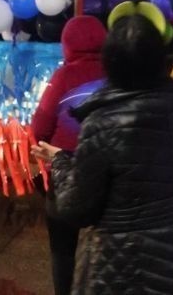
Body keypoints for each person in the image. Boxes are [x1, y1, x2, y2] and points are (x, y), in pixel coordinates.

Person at [31, 12, 173, 295]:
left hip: (119, 265)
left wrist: (60, 160)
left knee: (62, 250)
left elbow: (76, 208)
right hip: (171, 260)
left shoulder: (101, 122)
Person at [31, 15, 108, 295]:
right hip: (106, 179)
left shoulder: (63, 77)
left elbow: (40, 127)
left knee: (62, 251)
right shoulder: (117, 74)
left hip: (66, 176)